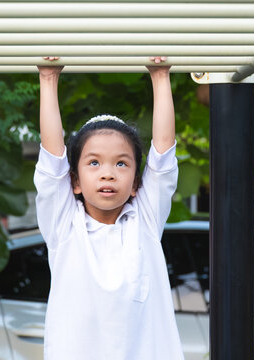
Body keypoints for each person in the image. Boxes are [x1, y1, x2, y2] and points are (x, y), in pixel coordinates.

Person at [34, 56, 183, 360]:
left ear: (137, 184)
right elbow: (52, 158)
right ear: (74, 181)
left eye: (121, 163)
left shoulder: (146, 219)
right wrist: (48, 79)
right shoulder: (64, 224)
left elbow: (164, 153)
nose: (108, 172)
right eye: (94, 162)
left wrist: (160, 76)